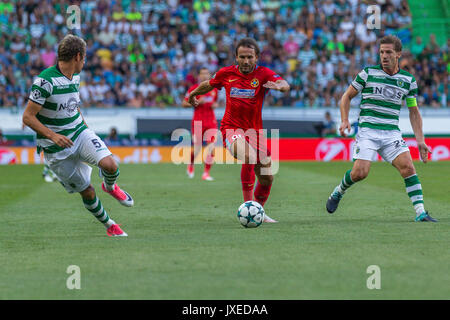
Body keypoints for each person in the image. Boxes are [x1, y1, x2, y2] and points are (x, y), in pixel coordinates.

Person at [22, 34, 134, 237]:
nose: (85, 62)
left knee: (110, 165)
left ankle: (110, 186)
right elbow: (28, 117)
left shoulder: (75, 76)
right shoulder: (45, 82)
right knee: (88, 192)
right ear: (78, 56)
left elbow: (73, 106)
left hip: (79, 132)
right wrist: (53, 136)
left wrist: (85, 127)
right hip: (56, 149)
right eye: (85, 58)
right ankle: (110, 225)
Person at [326, 35, 437, 222]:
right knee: (360, 173)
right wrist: (344, 120)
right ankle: (339, 191)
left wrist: (420, 141)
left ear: (398, 54)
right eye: (381, 52)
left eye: (388, 52)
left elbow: (414, 111)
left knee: (408, 167)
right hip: (368, 131)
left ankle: (420, 212)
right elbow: (346, 97)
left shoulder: (408, 80)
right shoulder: (367, 74)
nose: (384, 56)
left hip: (391, 132)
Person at [187, 38, 290, 223]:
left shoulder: (264, 74)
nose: (246, 61)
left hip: (255, 133)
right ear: (236, 57)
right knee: (248, 156)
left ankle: (259, 211)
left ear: (256, 57)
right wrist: (194, 94)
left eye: (250, 57)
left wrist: (280, 87)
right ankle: (248, 208)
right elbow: (209, 84)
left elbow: (284, 83)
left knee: (267, 178)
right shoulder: (226, 73)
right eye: (242, 57)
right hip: (231, 129)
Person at [182, 67, 219, 181]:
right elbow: (184, 103)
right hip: (198, 122)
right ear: (199, 76)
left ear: (209, 75)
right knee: (197, 149)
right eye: (202, 74)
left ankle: (206, 173)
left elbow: (215, 102)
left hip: (211, 121)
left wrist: (215, 105)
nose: (204, 76)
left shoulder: (214, 89)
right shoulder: (194, 89)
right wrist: (196, 103)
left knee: (211, 148)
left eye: (206, 73)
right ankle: (191, 164)